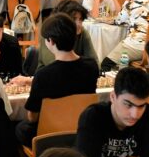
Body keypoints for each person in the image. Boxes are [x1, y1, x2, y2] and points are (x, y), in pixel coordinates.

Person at [14, 13, 99, 145]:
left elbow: (32, 117)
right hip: (81, 129)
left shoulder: (44, 75)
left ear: (51, 41)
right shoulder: (91, 66)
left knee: (19, 127)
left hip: (49, 135)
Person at [75, 67, 149, 157]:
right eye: (128, 104)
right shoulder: (92, 117)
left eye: (141, 106)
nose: (135, 115)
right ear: (113, 97)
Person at [36, 0, 98, 70]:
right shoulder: (49, 34)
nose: (78, 24)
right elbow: (55, 66)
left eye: (80, 19)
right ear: (61, 20)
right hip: (47, 74)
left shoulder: (83, 33)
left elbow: (95, 62)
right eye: (74, 19)